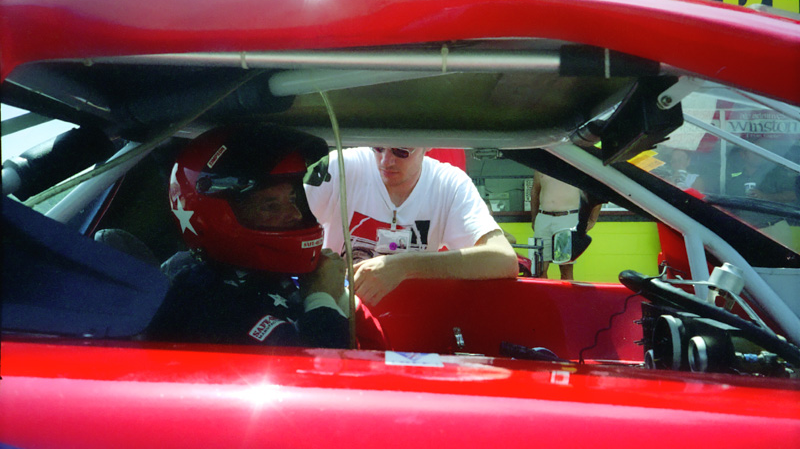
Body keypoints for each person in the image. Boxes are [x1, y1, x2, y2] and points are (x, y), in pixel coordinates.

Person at [146, 124, 354, 348]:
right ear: (218, 217)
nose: (295, 215)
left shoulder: (260, 274)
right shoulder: (209, 305)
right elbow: (323, 369)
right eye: (271, 206)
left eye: (293, 199)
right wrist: (320, 297)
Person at [304, 146, 519, 306]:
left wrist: (402, 267)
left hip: (412, 323)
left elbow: (503, 259)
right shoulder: (339, 167)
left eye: (401, 152)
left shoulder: (449, 183)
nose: (385, 161)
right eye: (377, 148)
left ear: (427, 146)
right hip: (341, 316)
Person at [530, 172, 600, 280]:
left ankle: (566, 296)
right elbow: (535, 192)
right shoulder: (541, 166)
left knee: (566, 268)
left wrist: (592, 219)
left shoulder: (574, 164)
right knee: (539, 269)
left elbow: (595, 192)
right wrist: (534, 218)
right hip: (543, 217)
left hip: (567, 218)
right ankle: (543, 296)